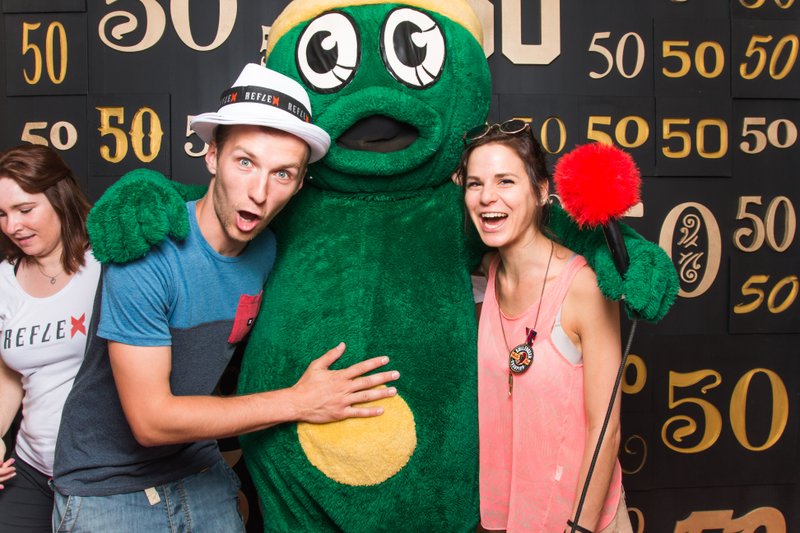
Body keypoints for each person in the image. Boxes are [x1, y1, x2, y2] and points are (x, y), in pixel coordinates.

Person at [51, 63, 400, 532]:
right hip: (107, 486)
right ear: (212, 155)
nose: (259, 192)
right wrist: (299, 402)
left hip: (197, 469)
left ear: (299, 184)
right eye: (245, 162)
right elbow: (151, 421)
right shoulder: (146, 246)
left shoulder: (268, 249)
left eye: (282, 173)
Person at [456, 120, 633, 533]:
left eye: (505, 181)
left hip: (582, 520)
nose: (487, 197)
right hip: (509, 518)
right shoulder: (487, 275)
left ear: (540, 191)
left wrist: (580, 528)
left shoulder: (583, 288)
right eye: (475, 184)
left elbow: (606, 430)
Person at [0, 144, 99, 532]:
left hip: (101, 475)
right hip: (31, 467)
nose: (12, 226)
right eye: (2, 214)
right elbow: (12, 374)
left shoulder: (106, 264)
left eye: (25, 210)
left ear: (59, 197)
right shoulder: (4, 280)